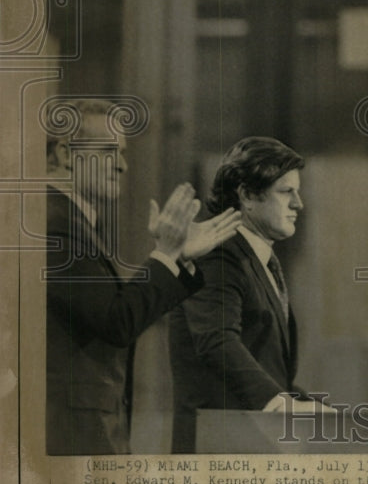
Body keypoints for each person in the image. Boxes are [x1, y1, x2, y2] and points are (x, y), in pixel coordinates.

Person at [45, 98, 240, 455]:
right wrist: (165, 254)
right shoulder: (54, 226)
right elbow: (117, 320)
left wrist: (174, 256)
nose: (122, 165)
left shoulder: (69, 223)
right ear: (65, 153)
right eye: (107, 150)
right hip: (71, 436)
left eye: (122, 152)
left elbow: (111, 312)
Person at [168, 136, 328, 453]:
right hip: (216, 451)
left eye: (297, 192)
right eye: (286, 192)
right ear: (248, 196)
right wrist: (281, 405)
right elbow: (217, 342)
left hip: (245, 445)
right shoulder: (216, 255)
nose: (299, 203)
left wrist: (318, 412)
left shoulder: (254, 258)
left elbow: (265, 366)